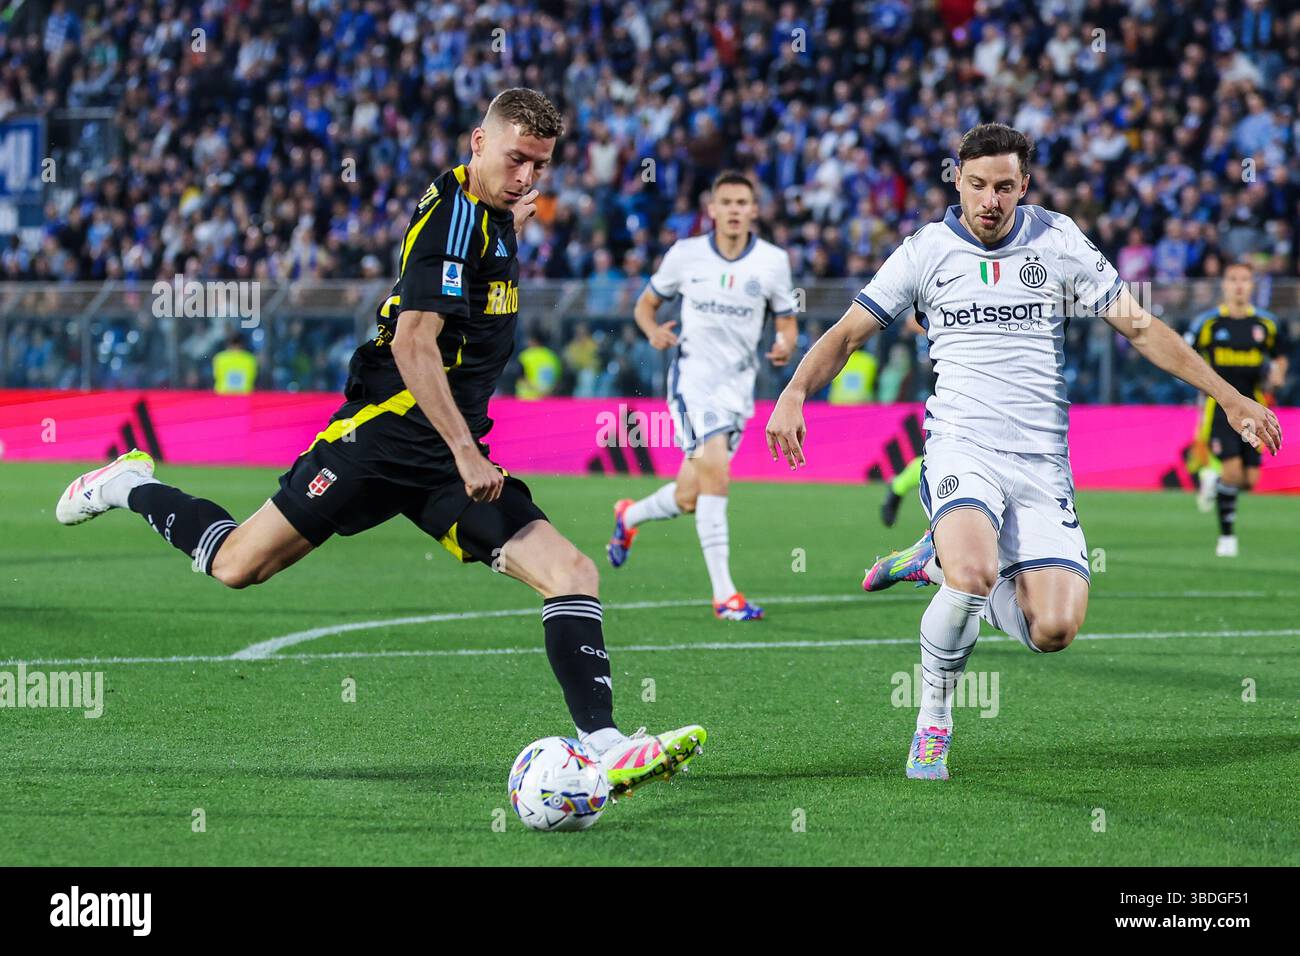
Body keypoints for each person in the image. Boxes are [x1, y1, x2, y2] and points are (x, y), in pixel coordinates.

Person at [55, 88, 705, 797]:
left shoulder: (491, 214)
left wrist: (511, 219)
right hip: (383, 439)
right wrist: (464, 450)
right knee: (237, 565)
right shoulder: (453, 224)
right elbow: (413, 341)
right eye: (516, 159)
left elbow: (484, 256)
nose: (527, 179)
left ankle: (605, 745)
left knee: (573, 572)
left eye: (541, 167)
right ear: (477, 143)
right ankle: (124, 484)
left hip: (445, 456)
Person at [766, 123, 1281, 781]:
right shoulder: (925, 250)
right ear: (957, 178)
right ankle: (933, 725)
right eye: (976, 183)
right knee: (976, 576)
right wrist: (793, 393)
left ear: (1024, 185)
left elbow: (1141, 327)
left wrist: (1230, 397)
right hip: (961, 447)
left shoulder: (1058, 240)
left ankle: (933, 559)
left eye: (1004, 186)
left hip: (1040, 462)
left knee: (1054, 631)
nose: (989, 199)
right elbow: (847, 334)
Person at [607, 171, 797, 621]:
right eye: (725, 202)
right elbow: (644, 305)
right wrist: (653, 331)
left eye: (741, 202)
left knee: (691, 495)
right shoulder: (685, 255)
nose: (733, 210)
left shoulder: (772, 262)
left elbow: (787, 321)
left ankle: (628, 517)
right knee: (717, 475)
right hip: (693, 381)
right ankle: (724, 596)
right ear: (710, 209)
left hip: (738, 389)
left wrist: (785, 344)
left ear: (754, 210)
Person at [1184, 261, 1289, 555]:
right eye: (1233, 279)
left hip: (1255, 406)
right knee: (1232, 473)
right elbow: (1187, 354)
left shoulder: (1265, 324)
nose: (1239, 285)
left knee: (1250, 480)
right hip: (1219, 407)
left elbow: (1280, 355)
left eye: (1245, 279)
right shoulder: (1208, 323)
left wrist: (1279, 372)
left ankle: (1212, 480)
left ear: (1253, 285)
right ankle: (1227, 538)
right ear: (1225, 285)